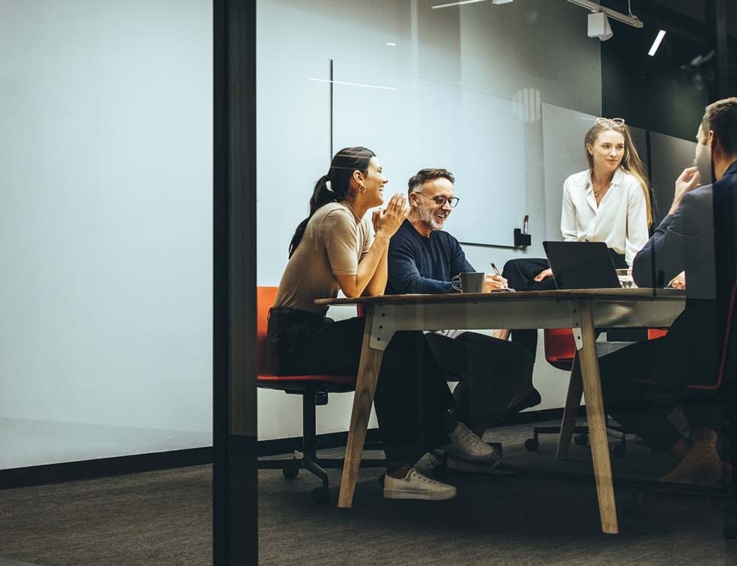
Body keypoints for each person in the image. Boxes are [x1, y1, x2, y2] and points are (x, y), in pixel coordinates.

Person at [598, 97, 737, 484]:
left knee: (604, 374)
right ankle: (705, 450)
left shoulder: (705, 202)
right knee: (700, 334)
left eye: (698, 139)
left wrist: (675, 206)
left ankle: (691, 455)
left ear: (712, 140)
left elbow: (647, 273)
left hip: (721, 356)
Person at [268, 147, 499, 501]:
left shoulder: (358, 222)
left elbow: (373, 291)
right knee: (391, 341)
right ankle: (428, 445)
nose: (385, 178)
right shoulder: (336, 217)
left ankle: (422, 449)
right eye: (379, 170)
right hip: (294, 340)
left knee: (395, 339)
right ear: (359, 179)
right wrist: (385, 237)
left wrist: (383, 237)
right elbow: (354, 289)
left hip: (312, 331)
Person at [386, 168, 540, 444]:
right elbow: (413, 284)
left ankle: (463, 434)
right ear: (414, 199)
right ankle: (453, 438)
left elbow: (471, 282)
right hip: (409, 337)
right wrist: (471, 286)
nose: (446, 207)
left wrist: (494, 286)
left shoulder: (447, 242)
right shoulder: (397, 238)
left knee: (517, 356)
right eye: (439, 200)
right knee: (485, 360)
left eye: (450, 201)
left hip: (443, 331)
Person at [501, 117, 653, 356]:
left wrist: (633, 282)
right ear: (590, 147)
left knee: (532, 291)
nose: (614, 153)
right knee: (515, 269)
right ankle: (520, 368)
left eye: (619, 147)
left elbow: (637, 242)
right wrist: (560, 266)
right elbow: (570, 236)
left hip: (612, 264)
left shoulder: (631, 186)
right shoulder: (573, 183)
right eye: (606, 146)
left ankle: (507, 343)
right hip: (577, 261)